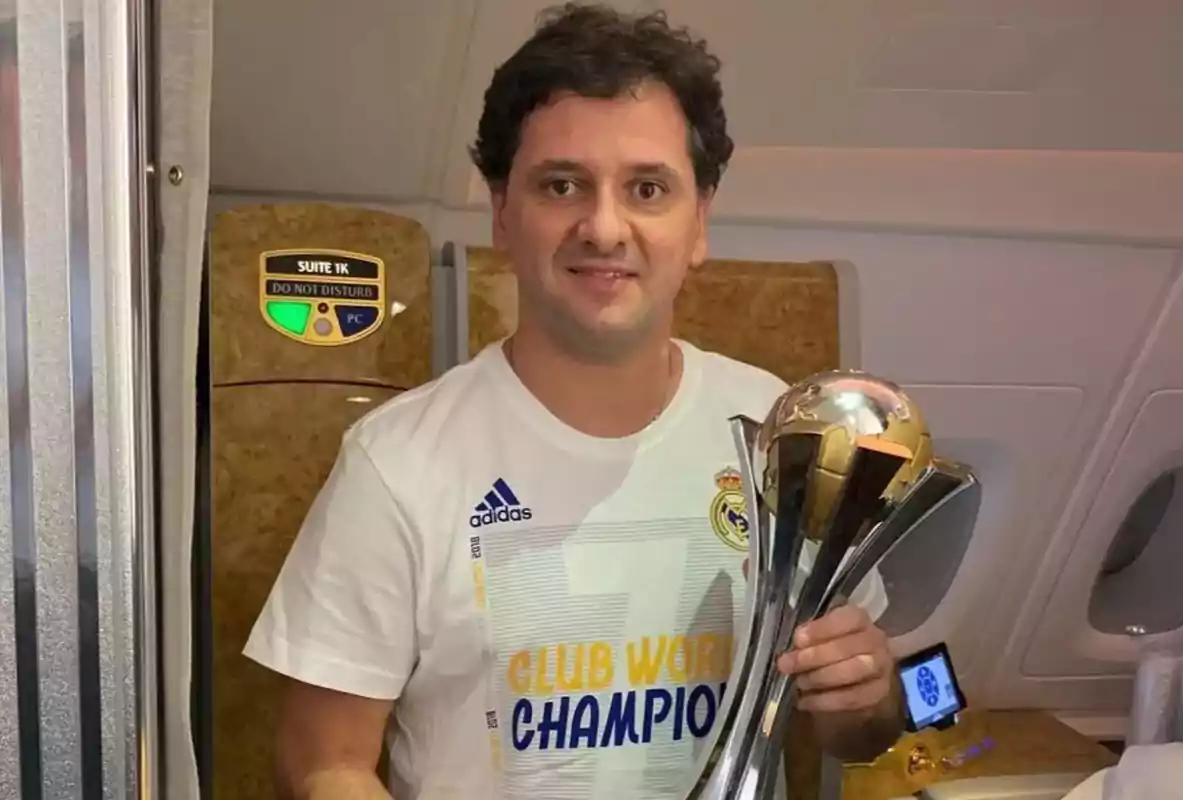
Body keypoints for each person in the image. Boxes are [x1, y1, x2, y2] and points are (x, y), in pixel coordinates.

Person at [244, 4, 905, 798]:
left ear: (699, 221)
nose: (603, 226)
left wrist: (868, 691)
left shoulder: (781, 435)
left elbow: (864, 731)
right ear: (502, 214)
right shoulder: (398, 465)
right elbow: (323, 760)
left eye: (647, 188)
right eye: (562, 185)